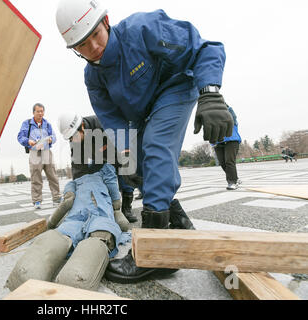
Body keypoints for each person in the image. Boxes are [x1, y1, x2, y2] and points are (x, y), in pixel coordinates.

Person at [55, 0, 229, 283]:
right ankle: (178, 222)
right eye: (82, 46)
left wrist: (210, 93)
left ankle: (153, 253)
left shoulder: (142, 29)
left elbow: (205, 48)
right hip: (143, 113)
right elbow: (113, 120)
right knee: (140, 163)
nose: (93, 49)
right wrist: (127, 156)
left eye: (95, 36)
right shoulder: (93, 76)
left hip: (175, 87)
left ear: (106, 22)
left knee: (156, 147)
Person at [6, 163, 131, 291]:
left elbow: (67, 202)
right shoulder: (78, 181)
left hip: (94, 214)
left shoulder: (99, 173)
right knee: (65, 234)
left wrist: (117, 211)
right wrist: (117, 210)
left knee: (96, 234)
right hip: (85, 215)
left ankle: (31, 273)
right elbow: (67, 201)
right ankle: (30, 271)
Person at [57, 112, 137, 222]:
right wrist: (80, 191)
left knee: (126, 177)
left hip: (119, 153)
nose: (72, 140)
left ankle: (126, 208)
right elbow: (79, 170)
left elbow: (125, 139)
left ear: (82, 127)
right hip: (101, 158)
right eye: (69, 138)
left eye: (73, 136)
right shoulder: (76, 142)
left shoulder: (103, 124)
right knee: (88, 176)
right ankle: (100, 202)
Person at [17, 103, 61, 209]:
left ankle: (57, 198)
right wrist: (28, 141)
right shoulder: (27, 123)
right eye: (38, 111)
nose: (40, 113)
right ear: (33, 112)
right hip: (34, 153)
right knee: (36, 177)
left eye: (42, 111)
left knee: (53, 176)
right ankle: (37, 201)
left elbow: (54, 136)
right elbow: (20, 137)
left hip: (47, 151)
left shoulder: (47, 124)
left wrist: (51, 139)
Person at [212, 105, 242, 190]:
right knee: (222, 163)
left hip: (232, 141)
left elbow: (232, 112)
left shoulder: (232, 121)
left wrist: (221, 104)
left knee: (229, 162)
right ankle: (235, 178)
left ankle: (232, 182)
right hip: (218, 143)